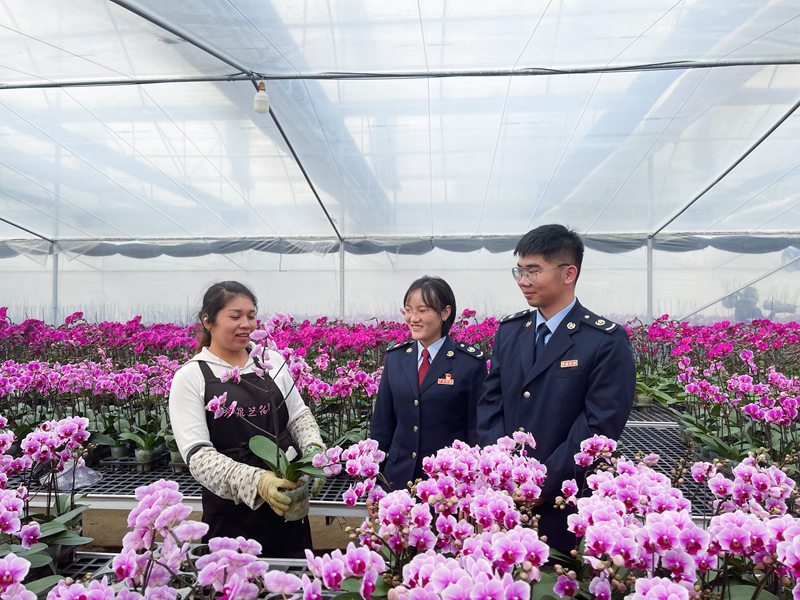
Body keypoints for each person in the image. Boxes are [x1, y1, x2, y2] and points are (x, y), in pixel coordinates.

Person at [476, 224, 635, 554]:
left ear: (568, 273)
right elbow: (490, 404)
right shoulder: (509, 332)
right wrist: (501, 472)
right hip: (503, 499)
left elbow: (598, 425)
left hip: (565, 502)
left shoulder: (603, 341)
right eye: (519, 270)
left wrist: (542, 484)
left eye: (533, 271)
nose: (523, 280)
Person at [168, 281, 325, 558]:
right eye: (235, 316)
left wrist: (313, 451)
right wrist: (258, 482)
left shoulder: (272, 361)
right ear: (208, 320)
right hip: (232, 511)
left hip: (289, 500)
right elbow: (197, 455)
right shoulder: (191, 377)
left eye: (251, 316)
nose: (246, 324)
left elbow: (298, 416)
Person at [371, 276, 487, 490]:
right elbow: (382, 427)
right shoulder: (396, 359)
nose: (413, 318)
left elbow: (476, 431)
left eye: (423, 311)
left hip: (446, 483)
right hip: (397, 479)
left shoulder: (468, 364)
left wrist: (472, 484)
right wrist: (375, 481)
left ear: (445, 312)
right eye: (408, 310)